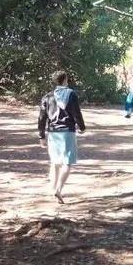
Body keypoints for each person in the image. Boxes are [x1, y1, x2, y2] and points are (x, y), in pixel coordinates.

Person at [38, 70, 86, 204]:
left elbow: (42, 117)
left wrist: (41, 135)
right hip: (67, 132)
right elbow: (77, 112)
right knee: (67, 162)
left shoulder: (47, 97)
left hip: (53, 133)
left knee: (55, 162)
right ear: (64, 80)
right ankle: (58, 190)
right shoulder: (71, 94)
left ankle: (53, 188)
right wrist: (81, 127)